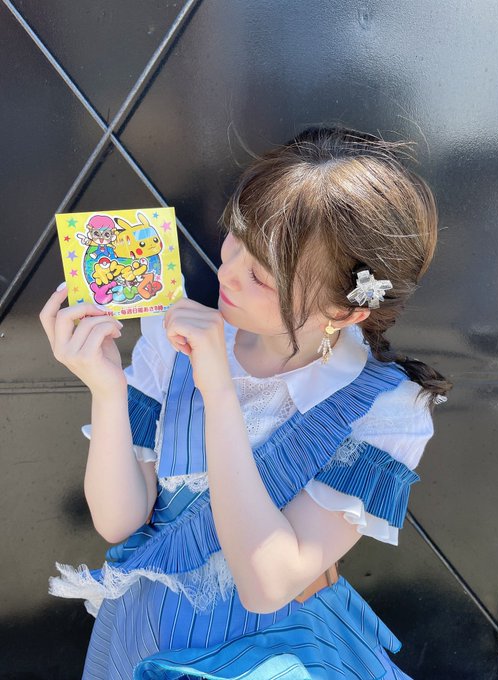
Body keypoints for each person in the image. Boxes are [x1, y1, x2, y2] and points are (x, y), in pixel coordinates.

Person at [39, 125, 451, 680]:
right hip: (148, 629)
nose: (226, 273)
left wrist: (218, 389)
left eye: (259, 275)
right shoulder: (173, 338)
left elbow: (266, 585)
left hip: (273, 652)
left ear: (346, 310)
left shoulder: (386, 406)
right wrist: (106, 388)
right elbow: (118, 522)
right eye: (235, 238)